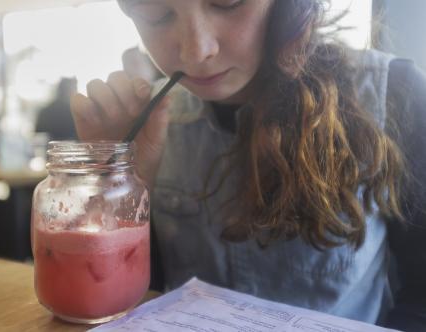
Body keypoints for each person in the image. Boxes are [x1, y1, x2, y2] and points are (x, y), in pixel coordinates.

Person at [70, 1, 426, 330]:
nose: (197, 52)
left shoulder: (392, 92)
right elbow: (138, 300)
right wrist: (121, 188)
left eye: (227, 2)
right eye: (156, 15)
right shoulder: (148, 122)